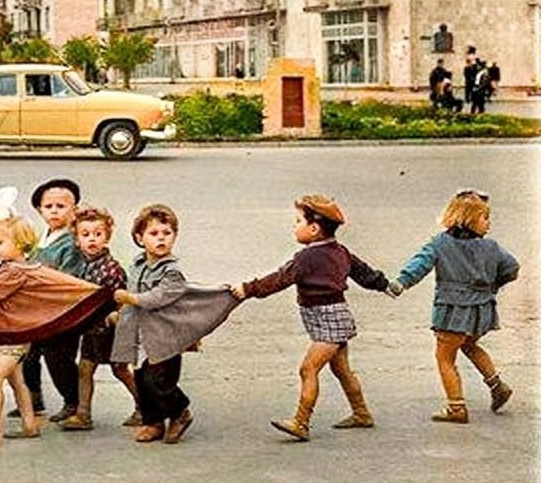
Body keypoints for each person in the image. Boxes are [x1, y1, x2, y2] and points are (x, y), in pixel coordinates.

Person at [0, 187, 111, 448]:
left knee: (2, 377)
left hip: (33, 323)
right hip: (21, 323)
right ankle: (31, 419)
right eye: (48, 206)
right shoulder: (31, 253)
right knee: (21, 373)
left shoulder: (25, 265)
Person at [231, 195, 392, 442]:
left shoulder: (306, 258)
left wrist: (247, 289)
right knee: (342, 370)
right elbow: (364, 273)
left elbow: (279, 279)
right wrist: (385, 285)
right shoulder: (340, 251)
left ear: (314, 229)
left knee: (308, 369)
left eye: (298, 221)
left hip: (329, 321)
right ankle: (361, 413)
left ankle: (301, 422)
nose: (294, 226)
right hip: (333, 316)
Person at [388, 189, 518, 423]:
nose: (488, 224)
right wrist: (492, 285)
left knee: (444, 357)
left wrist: (401, 283)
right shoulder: (490, 247)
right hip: (481, 310)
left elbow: (420, 264)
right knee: (469, 344)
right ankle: (497, 385)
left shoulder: (440, 244)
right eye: (485, 218)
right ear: (468, 219)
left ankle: (456, 408)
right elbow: (512, 268)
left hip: (452, 310)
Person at [111, 204, 237, 444]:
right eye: (154, 234)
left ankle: (180, 412)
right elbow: (132, 290)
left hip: (165, 335)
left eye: (167, 234)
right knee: (141, 379)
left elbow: (157, 298)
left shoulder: (172, 271)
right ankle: (153, 422)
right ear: (140, 238)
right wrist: (122, 310)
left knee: (158, 381)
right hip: (140, 334)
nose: (161, 239)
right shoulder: (137, 265)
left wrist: (130, 299)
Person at [59, 206, 137, 432]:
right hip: (91, 328)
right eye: (85, 235)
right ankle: (83, 414)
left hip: (109, 328)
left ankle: (145, 406)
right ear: (77, 240)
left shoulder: (112, 270)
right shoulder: (83, 266)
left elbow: (123, 300)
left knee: (120, 369)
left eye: (97, 234)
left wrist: (116, 315)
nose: (92, 239)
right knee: (85, 368)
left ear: (107, 236)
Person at [18, 177, 84, 421]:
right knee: (27, 352)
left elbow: (69, 279)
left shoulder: (73, 241)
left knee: (58, 357)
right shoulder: (41, 236)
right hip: (36, 307)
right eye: (49, 207)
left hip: (63, 310)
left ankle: (74, 402)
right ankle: (33, 398)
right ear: (40, 210)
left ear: (74, 209)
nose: (54, 211)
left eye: (61, 206)